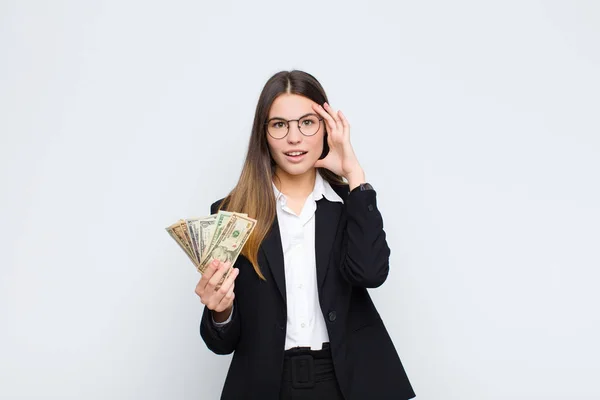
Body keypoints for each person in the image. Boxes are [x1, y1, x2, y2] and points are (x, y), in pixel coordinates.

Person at [194, 70, 416, 399]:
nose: (294, 138)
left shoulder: (347, 204)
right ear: (264, 135)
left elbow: (371, 273)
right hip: (268, 384)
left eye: (307, 123)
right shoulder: (231, 215)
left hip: (346, 382)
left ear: (326, 129)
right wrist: (220, 312)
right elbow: (221, 342)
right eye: (279, 124)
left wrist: (355, 174)